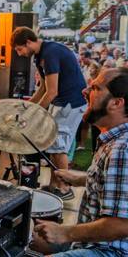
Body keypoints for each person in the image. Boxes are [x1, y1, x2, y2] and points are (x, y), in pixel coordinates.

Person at [35, 68, 128, 257]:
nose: (86, 91)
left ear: (117, 103)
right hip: (104, 247)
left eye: (96, 88)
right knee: (30, 243)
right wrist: (83, 178)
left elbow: (121, 224)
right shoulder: (116, 140)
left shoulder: (122, 148)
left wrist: (64, 233)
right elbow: (121, 186)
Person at [13, 27, 87, 200]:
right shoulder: (40, 56)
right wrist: (28, 106)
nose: (19, 53)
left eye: (19, 49)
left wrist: (34, 113)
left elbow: (51, 91)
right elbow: (44, 88)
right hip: (60, 102)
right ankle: (54, 185)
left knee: (58, 146)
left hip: (71, 103)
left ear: (28, 42)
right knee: (52, 143)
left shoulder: (50, 53)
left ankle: (64, 188)